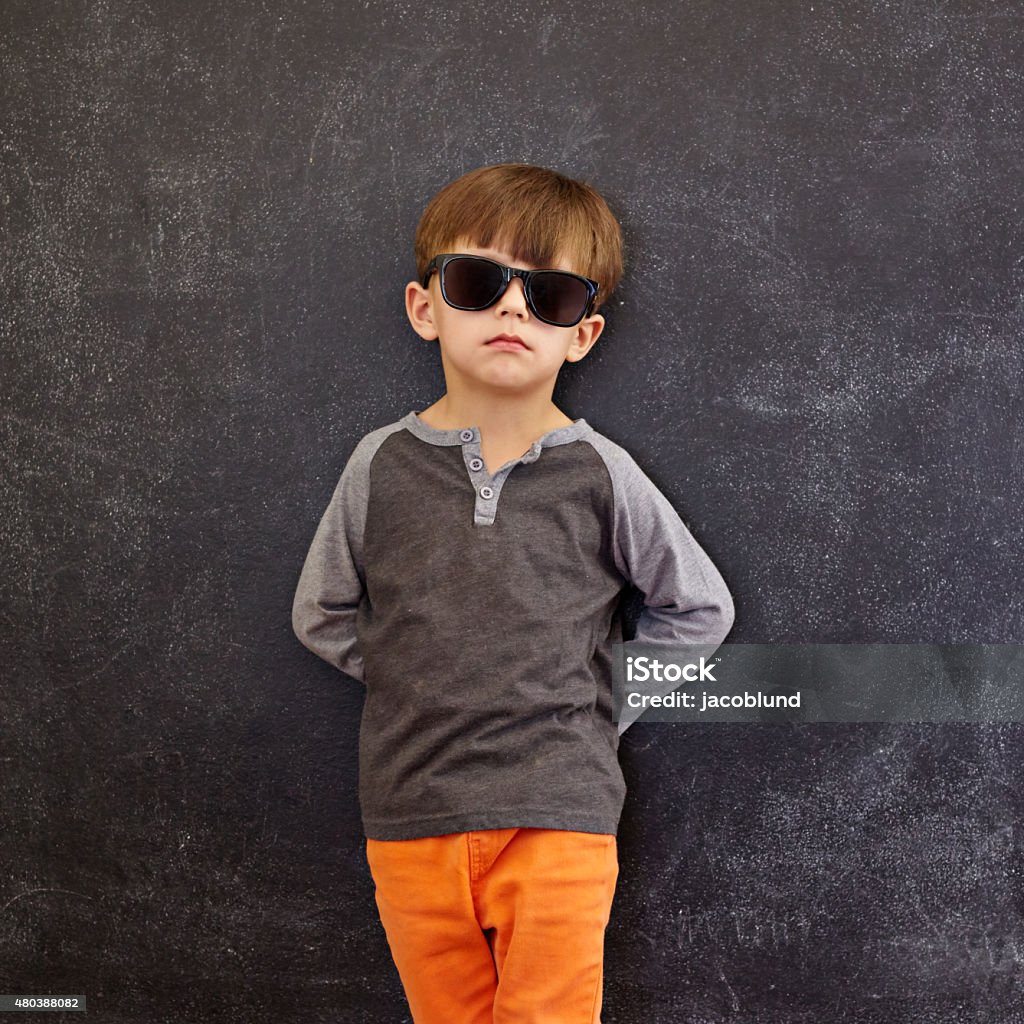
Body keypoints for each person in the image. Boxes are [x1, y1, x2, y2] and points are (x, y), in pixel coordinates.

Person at [291, 162, 735, 1023]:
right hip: (408, 813)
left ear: (583, 333)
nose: (512, 309)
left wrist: (598, 703)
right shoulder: (378, 464)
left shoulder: (603, 473)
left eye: (553, 295)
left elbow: (700, 609)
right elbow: (321, 612)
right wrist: (415, 676)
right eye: (476, 281)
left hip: (560, 817)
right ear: (427, 307)